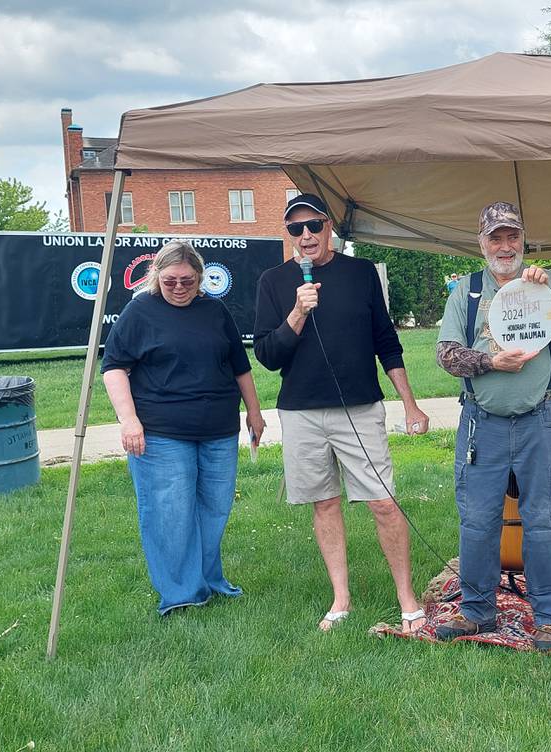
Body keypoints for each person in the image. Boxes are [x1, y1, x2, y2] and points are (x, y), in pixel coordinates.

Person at [254, 192, 430, 632]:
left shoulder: (360, 273)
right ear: (289, 235)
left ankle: (407, 598)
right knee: (325, 504)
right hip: (301, 413)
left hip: (360, 407)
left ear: (329, 226)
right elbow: (268, 355)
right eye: (296, 229)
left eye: (314, 225)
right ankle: (341, 598)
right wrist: (296, 312)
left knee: (384, 503)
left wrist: (409, 402)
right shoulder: (273, 282)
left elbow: (386, 341)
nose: (306, 235)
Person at [434, 201, 551, 650]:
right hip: (483, 424)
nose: (505, 246)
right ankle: (477, 612)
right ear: (482, 243)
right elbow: (446, 355)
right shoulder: (468, 291)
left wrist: (548, 300)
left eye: (512, 237)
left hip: (542, 419)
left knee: (545, 520)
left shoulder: (547, 283)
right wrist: (489, 361)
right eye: (495, 238)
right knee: (478, 520)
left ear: (523, 240)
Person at [101, 240, 265, 616]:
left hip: (219, 429)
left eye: (188, 281)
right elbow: (113, 368)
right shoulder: (139, 311)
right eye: (171, 280)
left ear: (200, 277)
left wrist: (254, 412)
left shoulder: (215, 310)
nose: (179, 287)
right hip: (161, 432)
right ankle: (181, 593)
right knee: (169, 512)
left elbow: (240, 366)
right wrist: (129, 419)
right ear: (156, 276)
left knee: (214, 508)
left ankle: (209, 580)